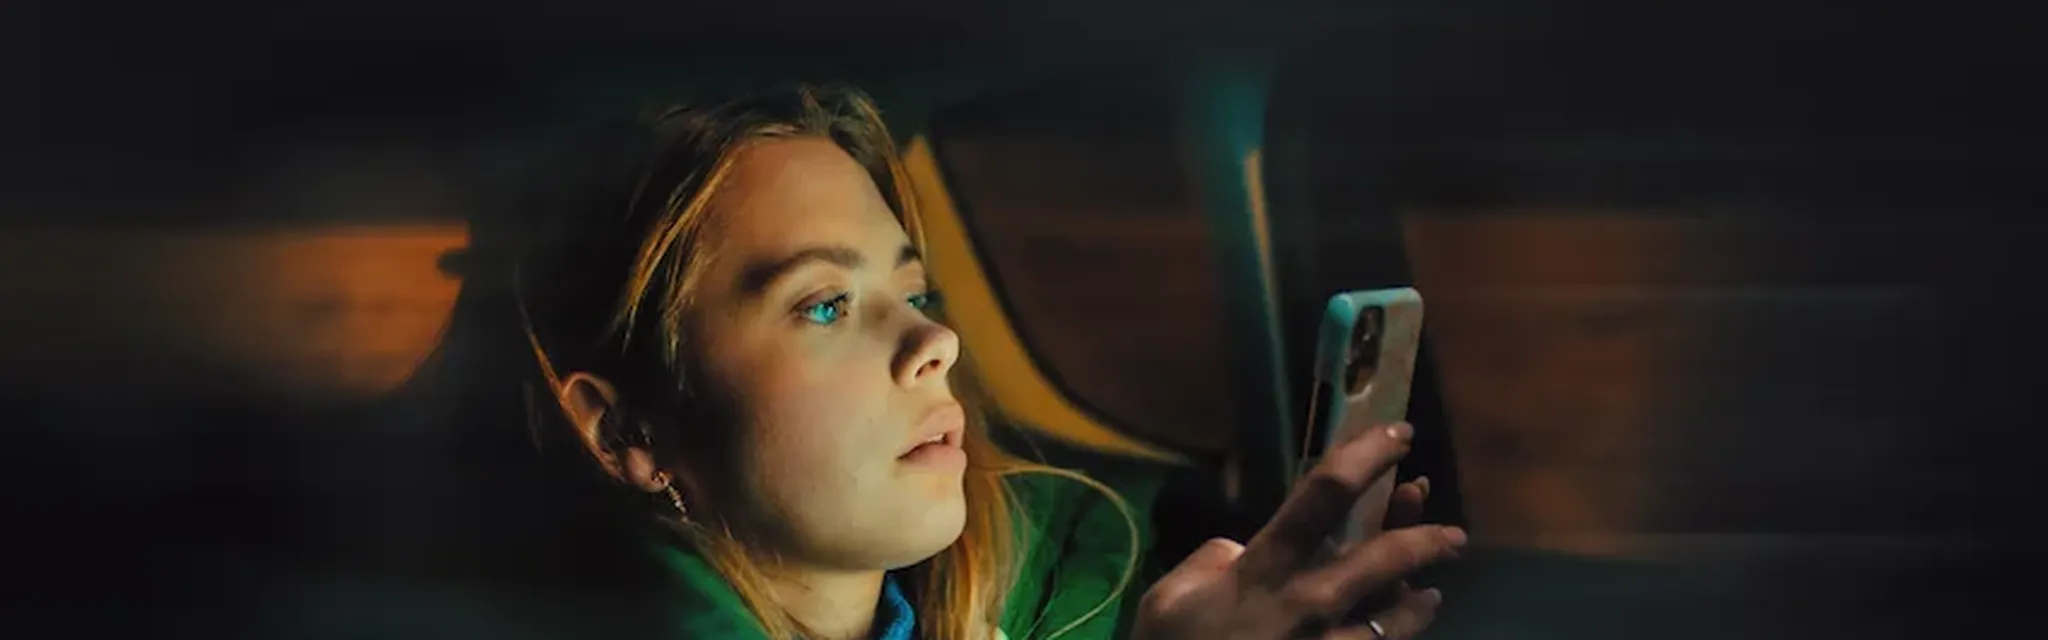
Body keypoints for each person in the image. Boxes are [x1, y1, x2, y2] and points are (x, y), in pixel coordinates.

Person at [508, 83, 1467, 640]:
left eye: (916, 295)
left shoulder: (1071, 578)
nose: (936, 344)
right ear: (625, 431)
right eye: (826, 304)